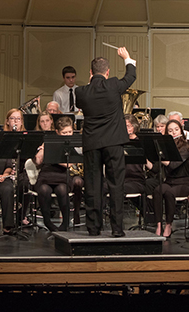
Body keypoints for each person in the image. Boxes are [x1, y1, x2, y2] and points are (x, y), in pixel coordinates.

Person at [75, 46, 136, 237]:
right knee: (116, 185)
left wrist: (90, 83)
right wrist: (127, 58)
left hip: (92, 143)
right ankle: (117, 229)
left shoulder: (81, 91)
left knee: (93, 185)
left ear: (91, 73)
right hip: (114, 143)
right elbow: (131, 76)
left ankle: (93, 228)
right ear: (108, 72)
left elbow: (80, 105)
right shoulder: (113, 85)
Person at [33, 117, 83, 231]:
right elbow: (37, 161)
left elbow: (71, 163)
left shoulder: (74, 143)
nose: (68, 135)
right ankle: (47, 222)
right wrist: (42, 149)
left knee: (62, 190)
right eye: (64, 133)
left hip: (62, 176)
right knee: (44, 190)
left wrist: (53, 158)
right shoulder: (50, 141)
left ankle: (65, 223)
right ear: (57, 132)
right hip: (47, 175)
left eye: (69, 132)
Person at [153, 119, 189, 237]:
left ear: (181, 130)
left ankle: (169, 225)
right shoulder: (165, 147)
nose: (174, 132)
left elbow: (173, 165)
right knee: (157, 190)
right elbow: (155, 168)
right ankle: (159, 225)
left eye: (176, 129)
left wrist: (160, 157)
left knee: (169, 193)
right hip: (169, 181)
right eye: (170, 131)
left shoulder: (186, 147)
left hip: (183, 183)